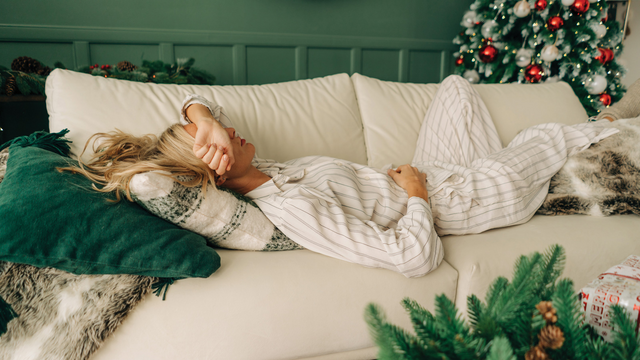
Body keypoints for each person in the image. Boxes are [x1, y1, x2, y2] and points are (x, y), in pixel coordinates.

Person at [69, 75, 618, 278]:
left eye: (222, 130)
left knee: (455, 88)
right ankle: (617, 123)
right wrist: (415, 196)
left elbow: (198, 99)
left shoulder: (264, 173)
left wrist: (202, 120)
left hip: (435, 171)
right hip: (470, 196)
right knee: (545, 138)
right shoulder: (293, 210)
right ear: (209, 176)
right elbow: (412, 258)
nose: (229, 133)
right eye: (216, 145)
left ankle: (544, 168)